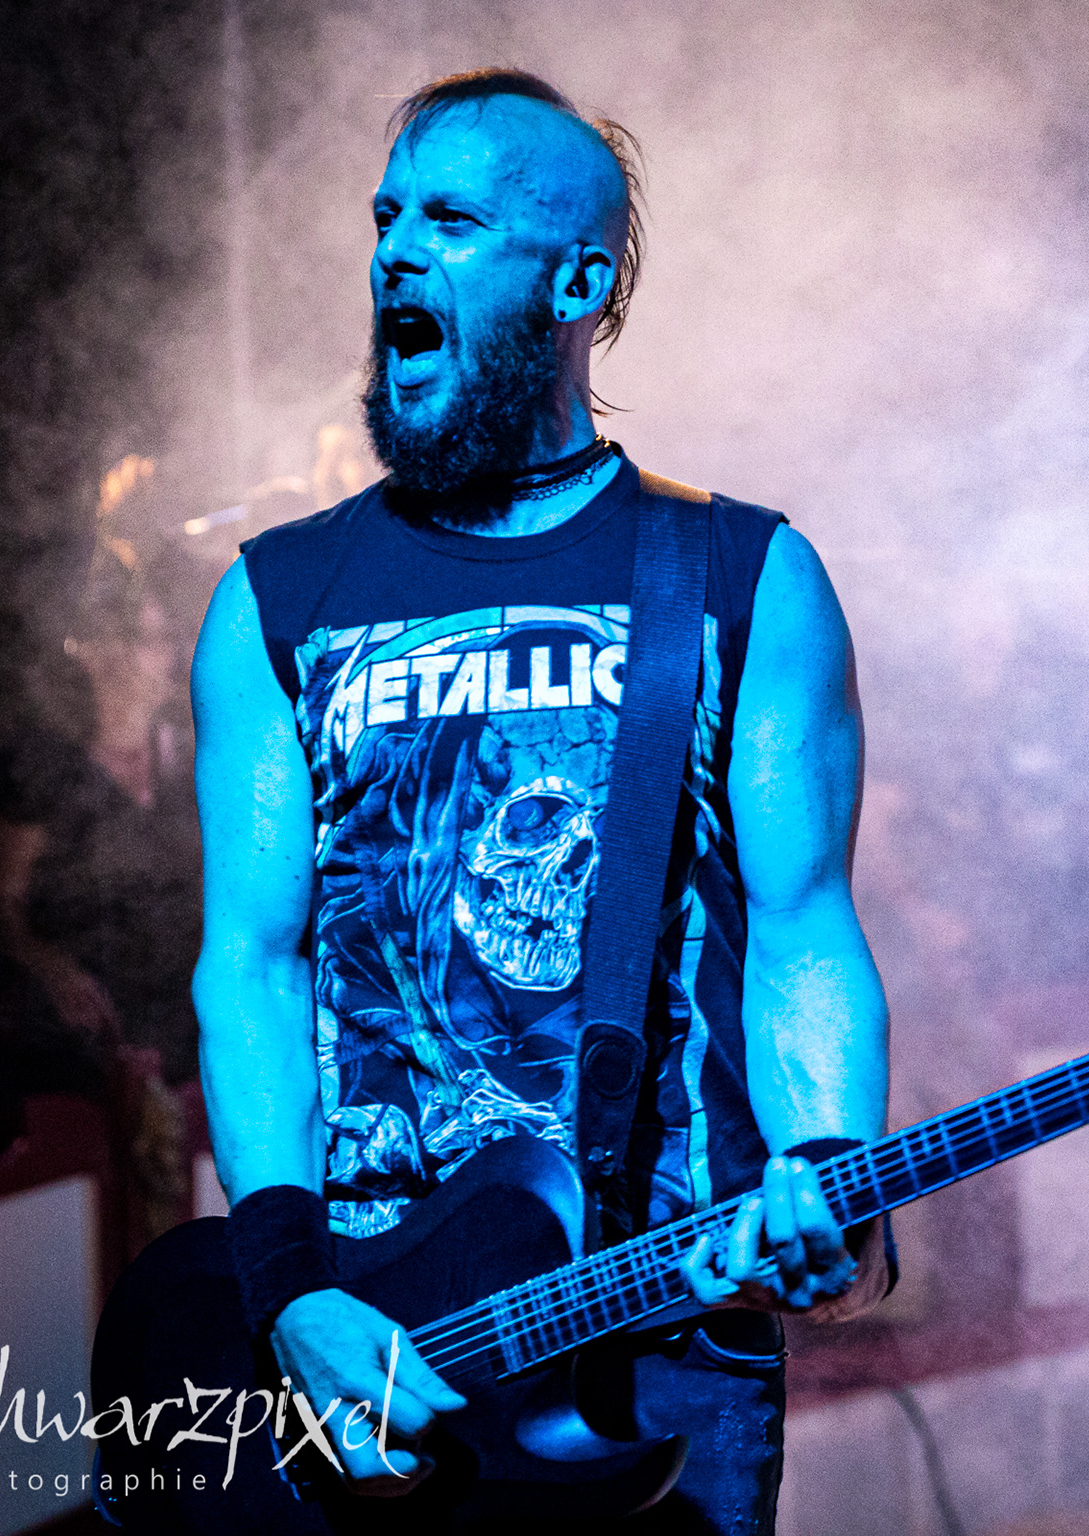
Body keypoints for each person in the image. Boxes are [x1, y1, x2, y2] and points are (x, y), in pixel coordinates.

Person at [187, 68, 890, 1532]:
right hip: (366, 1341)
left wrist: (827, 1163)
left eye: (450, 222)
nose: (395, 252)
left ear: (580, 281)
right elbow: (251, 964)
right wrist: (289, 1291)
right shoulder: (275, 602)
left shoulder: (740, 577)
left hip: (658, 1324)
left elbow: (802, 926)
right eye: (386, 217)